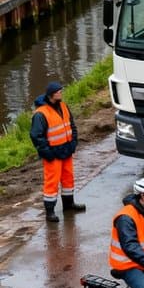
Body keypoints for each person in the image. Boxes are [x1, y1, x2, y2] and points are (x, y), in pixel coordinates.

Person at [30, 81, 86, 222]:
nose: (61, 93)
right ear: (51, 95)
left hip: (66, 150)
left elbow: (71, 125)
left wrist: (73, 142)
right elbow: (36, 136)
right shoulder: (40, 114)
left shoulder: (63, 106)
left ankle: (68, 205)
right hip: (53, 154)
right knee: (52, 182)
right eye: (58, 92)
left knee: (68, 178)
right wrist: (47, 153)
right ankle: (50, 212)